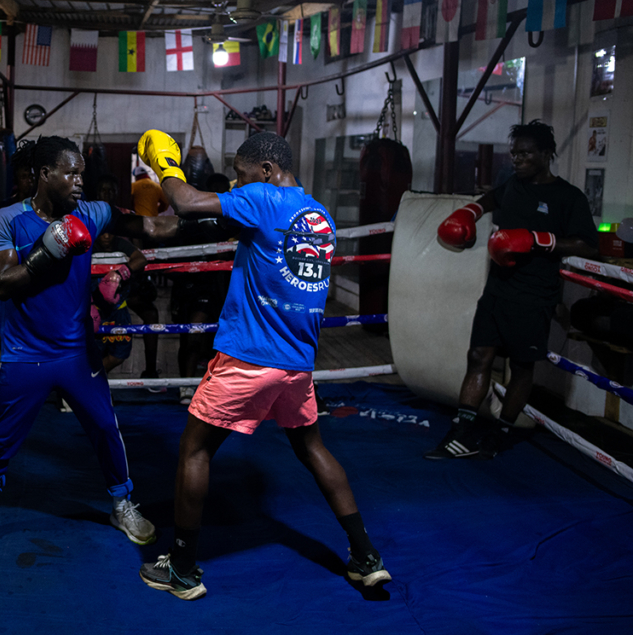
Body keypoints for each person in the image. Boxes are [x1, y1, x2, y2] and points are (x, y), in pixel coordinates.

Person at [134, 129, 390, 600]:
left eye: (242, 174)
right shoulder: (318, 215)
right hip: (297, 362)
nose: (237, 183)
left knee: (195, 451)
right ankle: (366, 557)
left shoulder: (265, 199)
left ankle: (184, 569)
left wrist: (165, 167)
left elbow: (188, 202)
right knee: (312, 447)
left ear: (268, 172)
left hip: (250, 357)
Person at [0, 135, 180, 561]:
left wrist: (225, 217)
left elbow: (150, 228)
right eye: (70, 172)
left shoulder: (93, 213)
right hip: (25, 355)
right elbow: (1, 284)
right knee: (2, 439)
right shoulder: (8, 220)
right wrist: (50, 249)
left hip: (78, 353)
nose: (80, 181)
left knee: (106, 429)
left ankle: (122, 505)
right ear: (44, 174)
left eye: (82, 172)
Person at [427, 120, 600, 459]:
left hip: (535, 295)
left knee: (521, 367)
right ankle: (460, 434)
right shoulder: (512, 185)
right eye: (515, 153)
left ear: (547, 154)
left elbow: (589, 245)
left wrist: (538, 240)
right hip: (498, 289)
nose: (518, 160)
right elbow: (491, 198)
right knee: (478, 357)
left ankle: (499, 435)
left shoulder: (568, 197)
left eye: (526, 153)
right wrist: (470, 211)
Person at [171, 172, 234, 405]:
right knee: (191, 336)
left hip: (219, 285)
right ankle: (185, 385)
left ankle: (211, 386)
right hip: (192, 284)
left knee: (212, 339)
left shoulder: (232, 218)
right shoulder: (195, 217)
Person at [95, 175, 161, 382]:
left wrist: (129, 276)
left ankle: (151, 372)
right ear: (97, 194)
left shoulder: (126, 216)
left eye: (111, 190)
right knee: (95, 327)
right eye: (103, 190)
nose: (107, 194)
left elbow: (138, 252)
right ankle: (91, 380)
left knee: (151, 315)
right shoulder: (88, 217)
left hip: (124, 284)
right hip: (93, 288)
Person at [90, 229, 147, 375]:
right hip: (94, 309)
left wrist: (121, 273)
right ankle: (89, 388)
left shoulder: (121, 244)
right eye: (103, 233)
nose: (107, 236)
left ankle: (91, 381)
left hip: (118, 309)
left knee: (119, 354)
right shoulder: (88, 246)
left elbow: (141, 259)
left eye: (110, 232)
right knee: (90, 353)